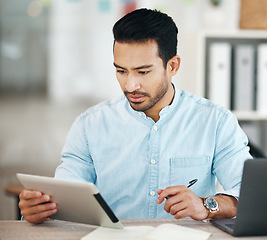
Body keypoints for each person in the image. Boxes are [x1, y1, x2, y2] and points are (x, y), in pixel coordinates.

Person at [18, 8, 252, 224]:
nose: (130, 85)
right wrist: (41, 209)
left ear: (173, 66)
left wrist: (206, 205)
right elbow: (65, 195)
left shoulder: (216, 122)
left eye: (143, 72)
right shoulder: (90, 126)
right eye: (121, 71)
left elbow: (250, 194)